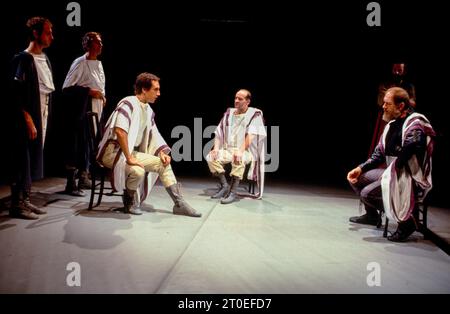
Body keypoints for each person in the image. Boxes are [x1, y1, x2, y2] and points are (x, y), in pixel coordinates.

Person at [97, 72, 201, 217]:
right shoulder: (128, 103)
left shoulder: (147, 109)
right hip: (113, 153)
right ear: (144, 89)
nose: (159, 93)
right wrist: (129, 158)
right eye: (155, 89)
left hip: (128, 153)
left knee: (163, 163)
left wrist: (161, 153)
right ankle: (130, 202)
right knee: (137, 171)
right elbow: (120, 131)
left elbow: (154, 135)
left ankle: (179, 203)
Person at [347, 87, 435, 242]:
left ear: (400, 106)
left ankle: (407, 222)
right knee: (357, 178)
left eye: (387, 103)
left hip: (410, 177)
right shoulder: (391, 125)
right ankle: (372, 216)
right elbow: (378, 155)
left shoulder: (415, 122)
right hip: (392, 172)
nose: (383, 107)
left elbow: (412, 145)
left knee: (367, 193)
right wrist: (360, 168)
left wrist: (394, 171)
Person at [8, 17, 54, 219]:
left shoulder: (45, 59)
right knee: (22, 157)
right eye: (48, 32)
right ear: (36, 33)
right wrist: (27, 118)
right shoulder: (23, 58)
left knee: (33, 157)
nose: (51, 36)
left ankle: (25, 199)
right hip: (28, 114)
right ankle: (17, 204)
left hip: (42, 110)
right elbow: (14, 93)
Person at [62, 32, 106, 195]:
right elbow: (67, 88)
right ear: (88, 44)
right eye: (97, 42)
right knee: (77, 144)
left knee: (89, 144)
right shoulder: (80, 62)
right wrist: (88, 92)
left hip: (96, 108)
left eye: (101, 42)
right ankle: (70, 183)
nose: (101, 45)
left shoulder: (99, 64)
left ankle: (84, 177)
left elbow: (100, 85)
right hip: (82, 109)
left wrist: (102, 95)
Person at [206, 89, 266, 204]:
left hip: (246, 151)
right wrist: (216, 148)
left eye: (240, 99)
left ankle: (232, 192)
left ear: (248, 101)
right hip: (228, 149)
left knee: (238, 157)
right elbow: (219, 132)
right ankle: (225, 186)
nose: (236, 101)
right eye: (235, 98)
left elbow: (251, 136)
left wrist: (240, 151)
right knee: (211, 157)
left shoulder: (254, 114)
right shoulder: (229, 113)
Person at [369, 62, 417, 155]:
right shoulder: (385, 84)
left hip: (401, 119)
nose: (397, 73)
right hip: (386, 117)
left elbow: (413, 103)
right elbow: (380, 101)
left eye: (399, 70)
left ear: (404, 71)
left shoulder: (408, 86)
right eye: (395, 70)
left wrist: (402, 96)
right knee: (382, 141)